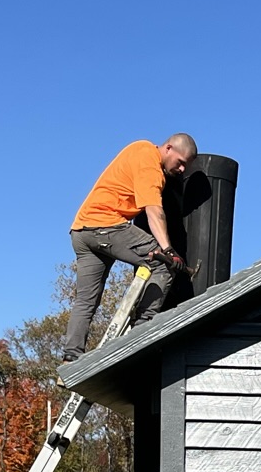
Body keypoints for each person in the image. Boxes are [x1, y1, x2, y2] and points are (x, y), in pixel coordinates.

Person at [64, 133, 196, 361]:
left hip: (81, 231)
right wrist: (168, 250)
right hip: (106, 226)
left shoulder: (139, 148)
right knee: (164, 264)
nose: (182, 169)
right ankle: (140, 334)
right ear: (168, 148)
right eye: (181, 162)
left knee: (86, 300)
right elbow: (154, 211)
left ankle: (70, 356)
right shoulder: (150, 164)